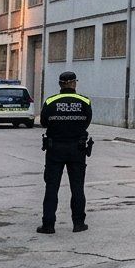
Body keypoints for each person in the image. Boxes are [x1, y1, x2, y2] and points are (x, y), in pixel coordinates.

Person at [38, 71, 92, 234]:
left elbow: (43, 122)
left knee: (51, 187)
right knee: (77, 187)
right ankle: (78, 223)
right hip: (77, 149)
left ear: (60, 84)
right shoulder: (85, 101)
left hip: (55, 149)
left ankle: (48, 225)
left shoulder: (50, 101)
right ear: (74, 83)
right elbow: (87, 122)